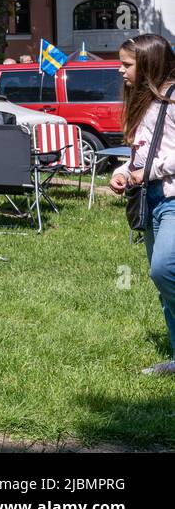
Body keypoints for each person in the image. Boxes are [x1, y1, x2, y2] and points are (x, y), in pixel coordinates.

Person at [109, 34, 175, 375]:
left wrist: (144, 173)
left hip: (172, 198)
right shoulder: (143, 102)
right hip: (150, 200)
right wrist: (124, 172)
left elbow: (164, 159)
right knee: (164, 284)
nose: (120, 70)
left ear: (149, 63)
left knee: (164, 269)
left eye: (127, 64)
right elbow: (141, 153)